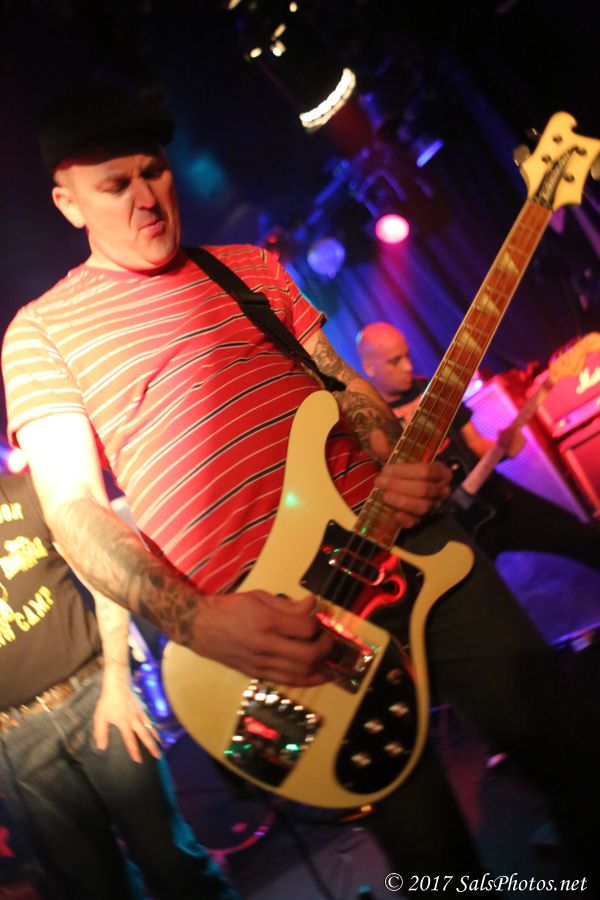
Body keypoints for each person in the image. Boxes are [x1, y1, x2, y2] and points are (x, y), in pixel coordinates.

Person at [2, 85, 600, 893]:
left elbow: (344, 388)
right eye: (115, 185)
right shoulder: (41, 332)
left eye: (155, 171)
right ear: (68, 202)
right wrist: (198, 619)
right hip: (277, 623)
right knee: (431, 854)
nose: (145, 197)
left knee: (572, 749)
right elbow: (72, 506)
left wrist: (391, 449)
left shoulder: (247, 269)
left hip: (408, 548)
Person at [0, 470, 238, 899]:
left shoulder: (29, 488)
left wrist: (116, 680)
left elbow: (103, 575)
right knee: (93, 890)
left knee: (174, 865)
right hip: (14, 740)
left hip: (96, 696)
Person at [356, 321, 600, 570]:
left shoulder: (434, 389)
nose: (408, 366)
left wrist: (503, 450)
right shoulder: (373, 419)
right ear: (369, 367)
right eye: (395, 361)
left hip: (493, 495)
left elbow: (476, 445)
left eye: (407, 356)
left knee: (583, 539)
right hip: (450, 530)